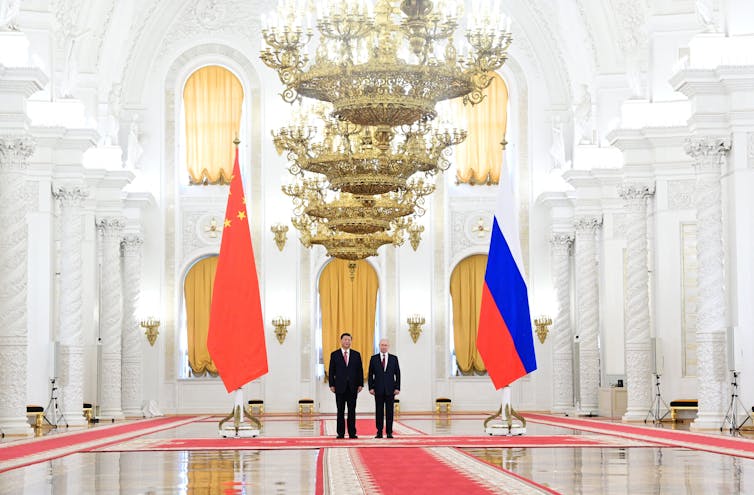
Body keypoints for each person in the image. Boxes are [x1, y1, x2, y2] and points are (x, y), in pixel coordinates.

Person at [329, 332, 363, 439]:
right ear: (341, 341)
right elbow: (331, 371)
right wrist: (331, 384)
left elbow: (359, 371)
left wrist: (360, 384)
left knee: (352, 411)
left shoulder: (356, 355)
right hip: (339, 387)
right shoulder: (334, 354)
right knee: (340, 411)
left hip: (353, 387)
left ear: (351, 341)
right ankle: (340, 433)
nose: (347, 342)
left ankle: (352, 433)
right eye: (345, 340)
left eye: (349, 340)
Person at [368, 338, 400, 438]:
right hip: (378, 389)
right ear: (379, 346)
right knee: (379, 411)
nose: (384, 347)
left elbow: (398, 374)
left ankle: (389, 432)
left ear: (388, 346)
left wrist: (397, 387)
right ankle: (379, 432)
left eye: (385, 345)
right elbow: (370, 375)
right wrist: (371, 387)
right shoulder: (374, 358)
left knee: (390, 411)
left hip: (391, 390)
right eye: (382, 345)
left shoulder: (394, 358)